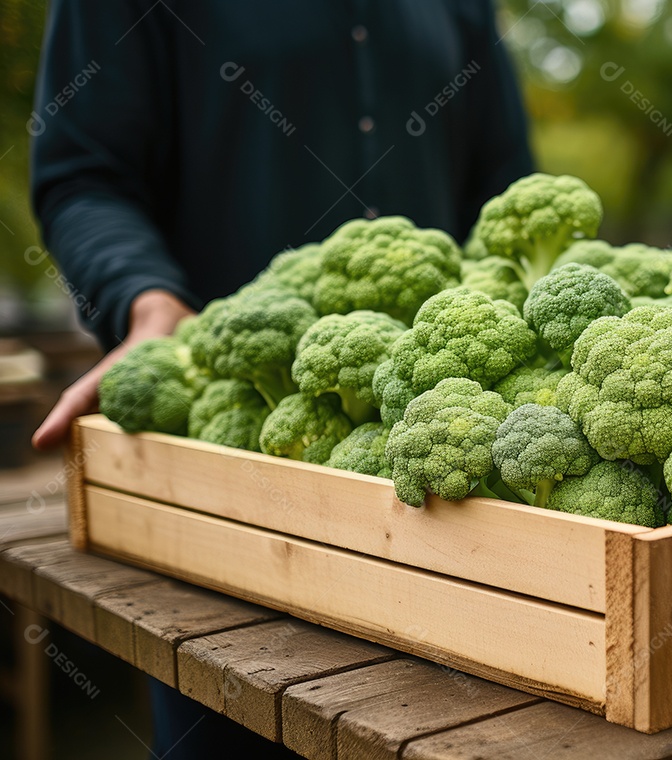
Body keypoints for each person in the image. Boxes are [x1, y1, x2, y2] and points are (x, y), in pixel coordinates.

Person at [30, 1, 533, 756]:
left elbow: (507, 191)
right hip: (231, 498)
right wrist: (148, 302)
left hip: (457, 509)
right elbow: (83, 174)